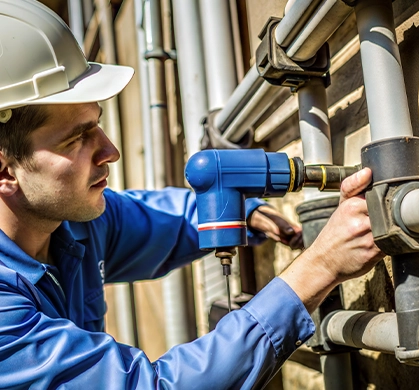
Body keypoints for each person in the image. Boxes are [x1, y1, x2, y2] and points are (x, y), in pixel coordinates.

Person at [0, 1, 383, 389]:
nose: (109, 151)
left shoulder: (71, 224)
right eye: (76, 138)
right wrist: (318, 268)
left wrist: (240, 211)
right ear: (4, 170)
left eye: (95, 125)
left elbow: (156, 219)